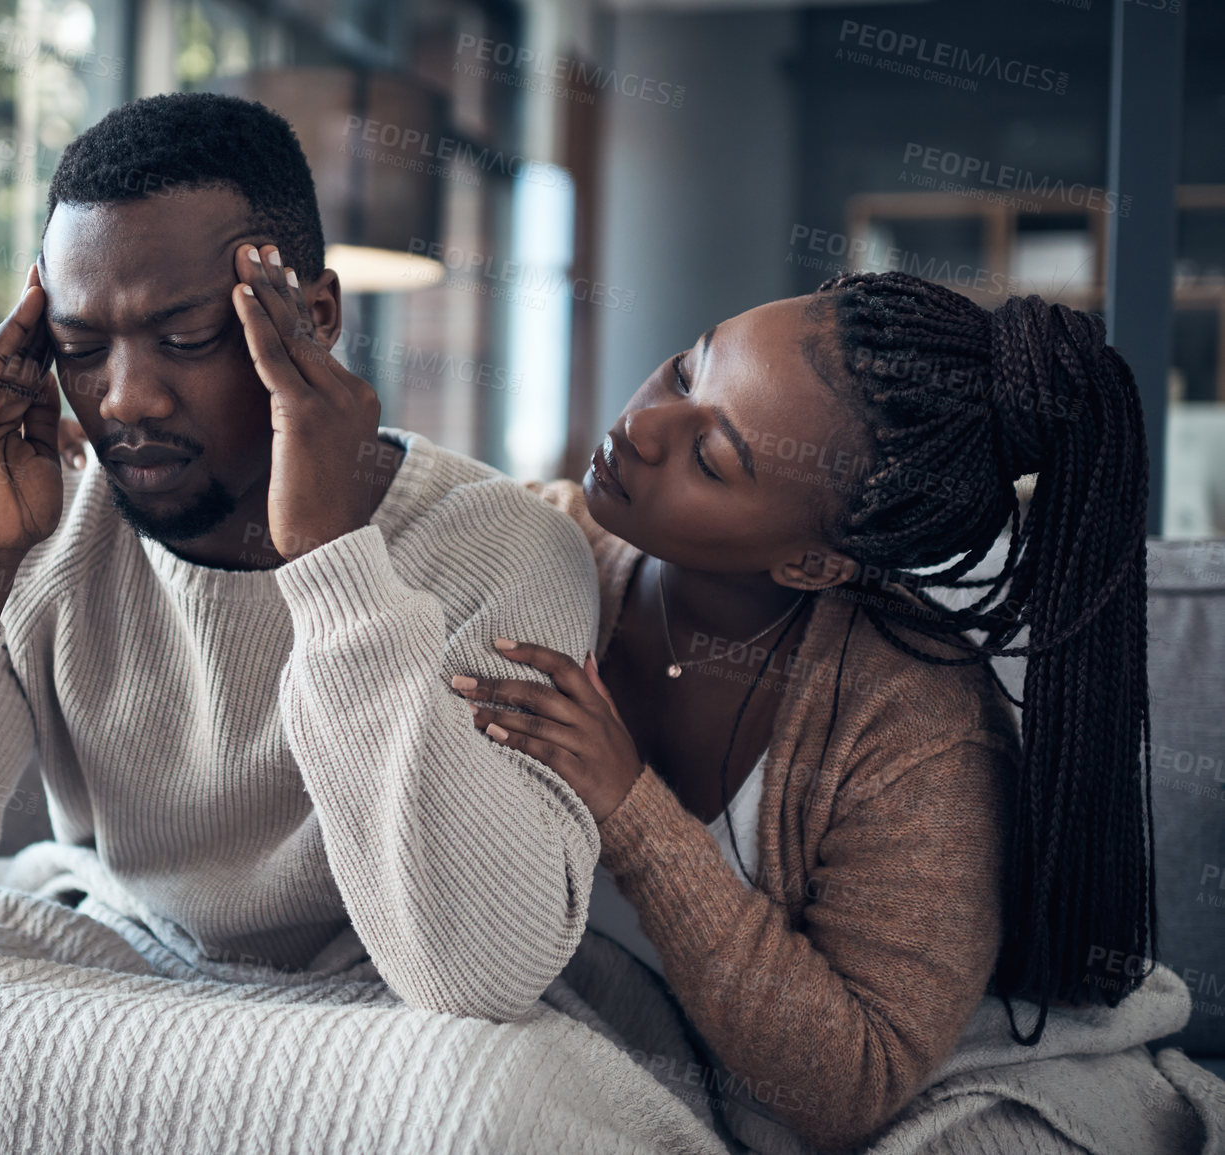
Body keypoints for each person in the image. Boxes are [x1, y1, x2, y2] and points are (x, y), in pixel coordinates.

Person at [0, 92, 605, 1023]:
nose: (125, 400)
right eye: (81, 346)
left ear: (315, 316)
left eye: (187, 339)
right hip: (113, 969)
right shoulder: (48, 531)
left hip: (382, 1010)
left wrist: (332, 561)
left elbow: (482, 970)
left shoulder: (500, 549)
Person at [452, 272, 1158, 1148]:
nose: (638, 425)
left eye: (710, 458)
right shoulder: (544, 551)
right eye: (684, 371)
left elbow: (852, 1082)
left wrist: (629, 806)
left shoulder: (921, 732)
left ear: (814, 565)